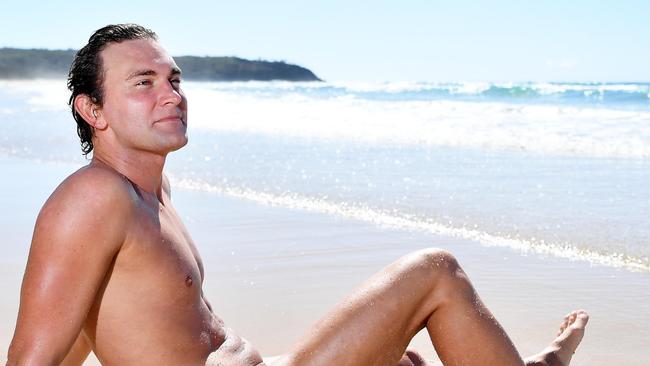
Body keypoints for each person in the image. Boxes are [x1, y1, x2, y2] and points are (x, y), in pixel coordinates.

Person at [6, 24, 588, 366]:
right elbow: (33, 357)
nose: (172, 95)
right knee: (437, 273)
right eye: (143, 83)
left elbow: (83, 324)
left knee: (406, 362)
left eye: (174, 79)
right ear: (92, 110)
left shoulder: (145, 197)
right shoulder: (92, 199)